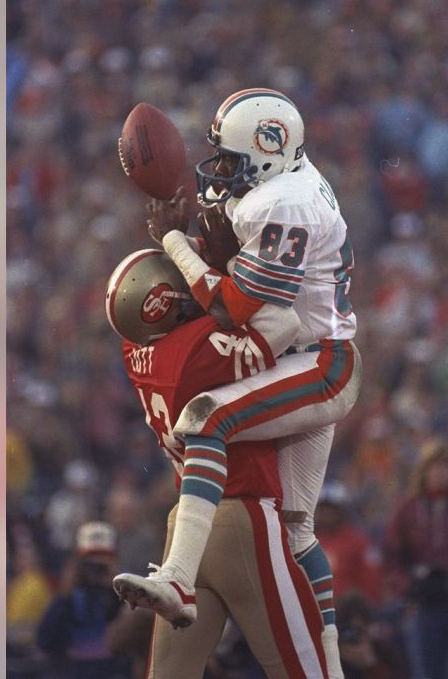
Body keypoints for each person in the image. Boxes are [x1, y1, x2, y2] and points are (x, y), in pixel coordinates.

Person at [117, 90, 361, 675]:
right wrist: (213, 242)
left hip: (319, 362)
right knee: (299, 531)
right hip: (306, 352)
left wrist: (176, 242)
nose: (221, 172)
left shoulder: (281, 202)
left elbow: (231, 308)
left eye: (231, 160)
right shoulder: (285, 184)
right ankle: (332, 661)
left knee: (206, 417)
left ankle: (177, 577)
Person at [104, 250, 329, 677]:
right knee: (305, 668)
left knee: (170, 674)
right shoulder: (193, 349)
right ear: (164, 299)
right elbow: (283, 323)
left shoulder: (134, 348)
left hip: (186, 526)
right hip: (242, 516)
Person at [382, 443, 448, 679]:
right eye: (433, 467)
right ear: (423, 471)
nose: (439, 473)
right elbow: (392, 556)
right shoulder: (407, 508)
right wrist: (409, 585)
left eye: (445, 466)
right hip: (421, 607)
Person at [37, 522, 132, 679]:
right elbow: (44, 640)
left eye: (103, 559)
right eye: (90, 560)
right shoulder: (71, 596)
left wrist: (117, 591)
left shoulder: (127, 588)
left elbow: (132, 637)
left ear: (115, 560)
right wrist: (65, 596)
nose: (96, 567)